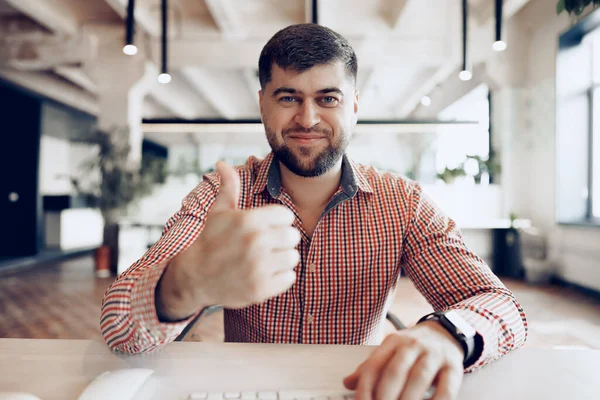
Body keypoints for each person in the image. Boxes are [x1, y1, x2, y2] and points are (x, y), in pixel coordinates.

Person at [101, 23, 527, 400]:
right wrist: (185, 283)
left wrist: (448, 333)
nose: (307, 118)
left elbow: (500, 305)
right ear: (262, 103)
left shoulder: (405, 203)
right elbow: (119, 326)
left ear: (354, 105)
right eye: (288, 97)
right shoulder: (223, 194)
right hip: (245, 389)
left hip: (355, 388)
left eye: (328, 98)